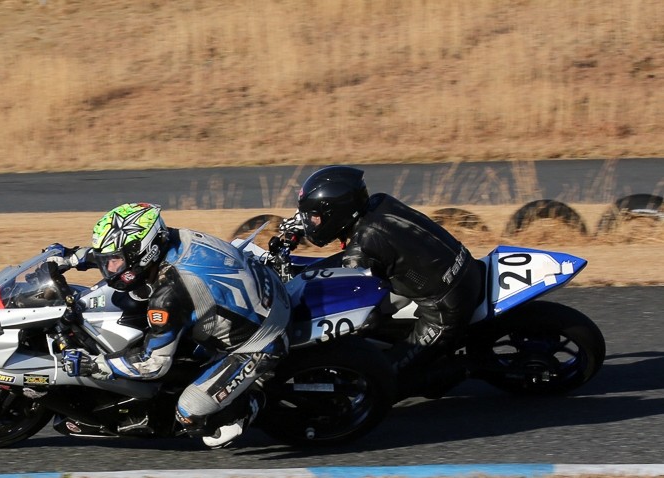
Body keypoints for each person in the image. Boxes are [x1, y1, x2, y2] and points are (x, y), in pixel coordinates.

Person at [47, 202, 290, 448]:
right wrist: (73, 257)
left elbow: (152, 365)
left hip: (261, 340)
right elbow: (121, 256)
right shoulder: (170, 238)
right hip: (259, 292)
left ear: (145, 253)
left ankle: (252, 401)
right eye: (106, 260)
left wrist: (93, 365)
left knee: (190, 415)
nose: (109, 268)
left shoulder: (168, 295)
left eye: (115, 261)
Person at [280, 165, 482, 396]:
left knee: (386, 380)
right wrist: (298, 228)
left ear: (337, 213)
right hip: (462, 264)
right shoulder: (378, 202)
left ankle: (467, 368)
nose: (311, 223)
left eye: (315, 217)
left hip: (446, 306)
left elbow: (361, 306)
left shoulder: (363, 247)